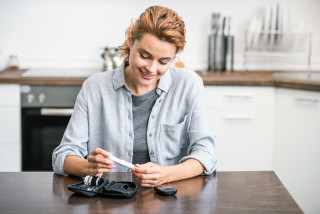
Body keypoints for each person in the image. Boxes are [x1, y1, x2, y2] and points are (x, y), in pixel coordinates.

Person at [52, 5, 216, 187]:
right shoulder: (95, 87)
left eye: (163, 61)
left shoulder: (189, 85)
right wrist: (87, 166)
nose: (152, 69)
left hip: (170, 199)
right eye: (145, 55)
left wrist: (166, 174)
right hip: (110, 200)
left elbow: (206, 153)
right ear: (130, 39)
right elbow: (63, 155)